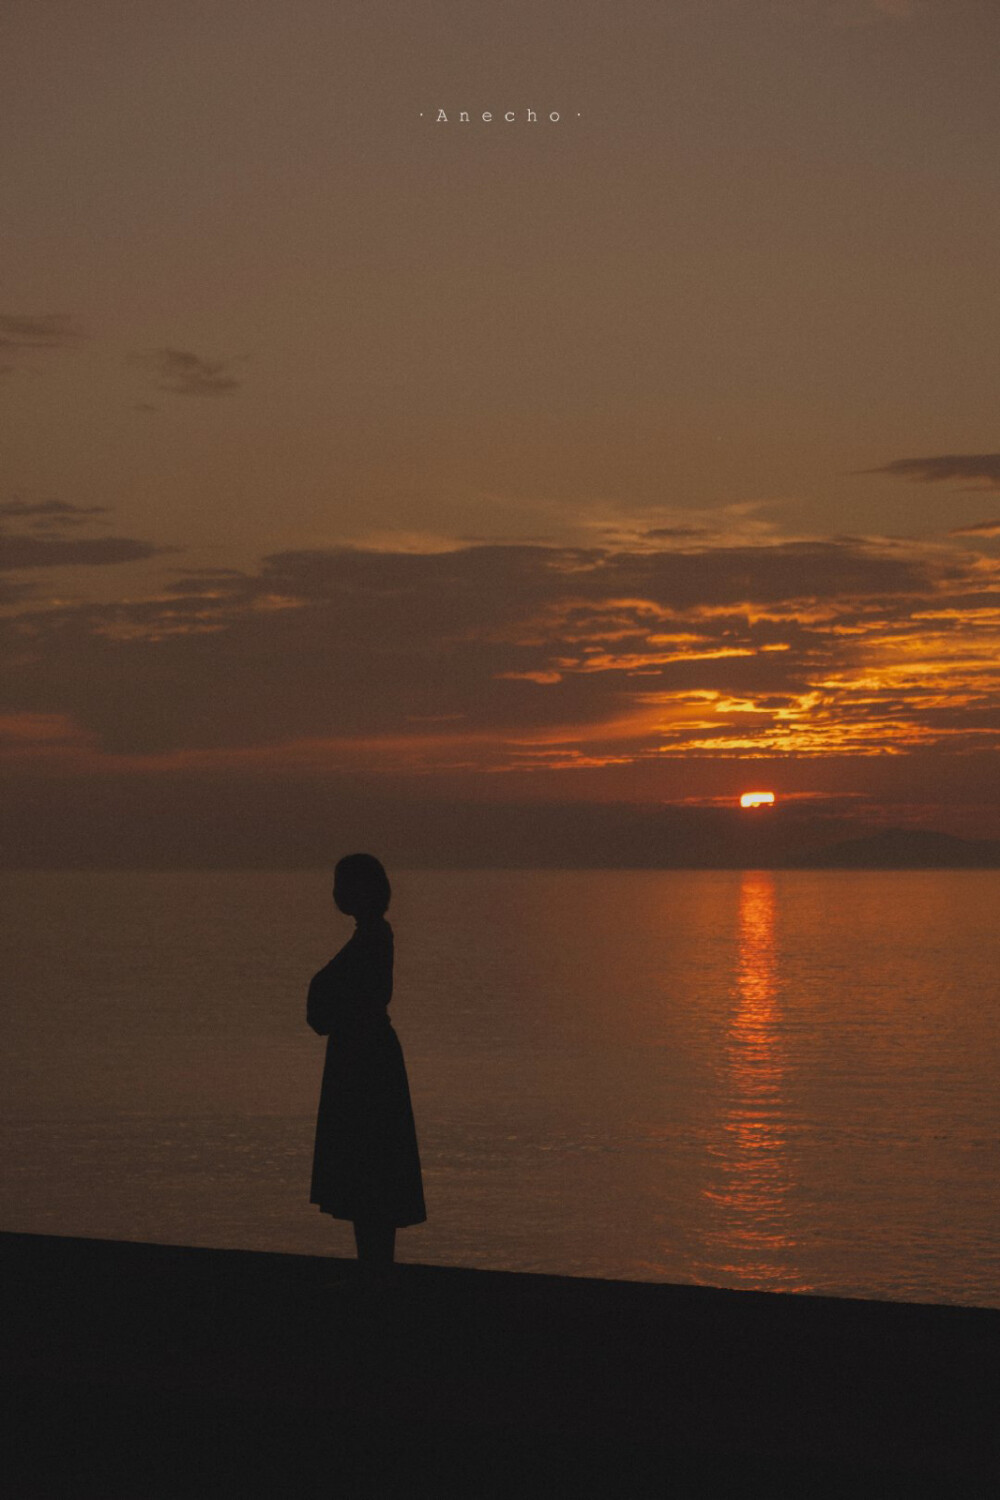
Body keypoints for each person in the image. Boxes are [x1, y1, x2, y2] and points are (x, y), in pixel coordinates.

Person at [307, 853, 426, 1286]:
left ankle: (376, 1270)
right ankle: (373, 1265)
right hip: (364, 1057)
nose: (336, 894)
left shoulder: (373, 938)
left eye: (342, 885)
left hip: (365, 1062)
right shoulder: (373, 936)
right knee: (368, 1165)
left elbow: (342, 996)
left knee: (370, 1161)